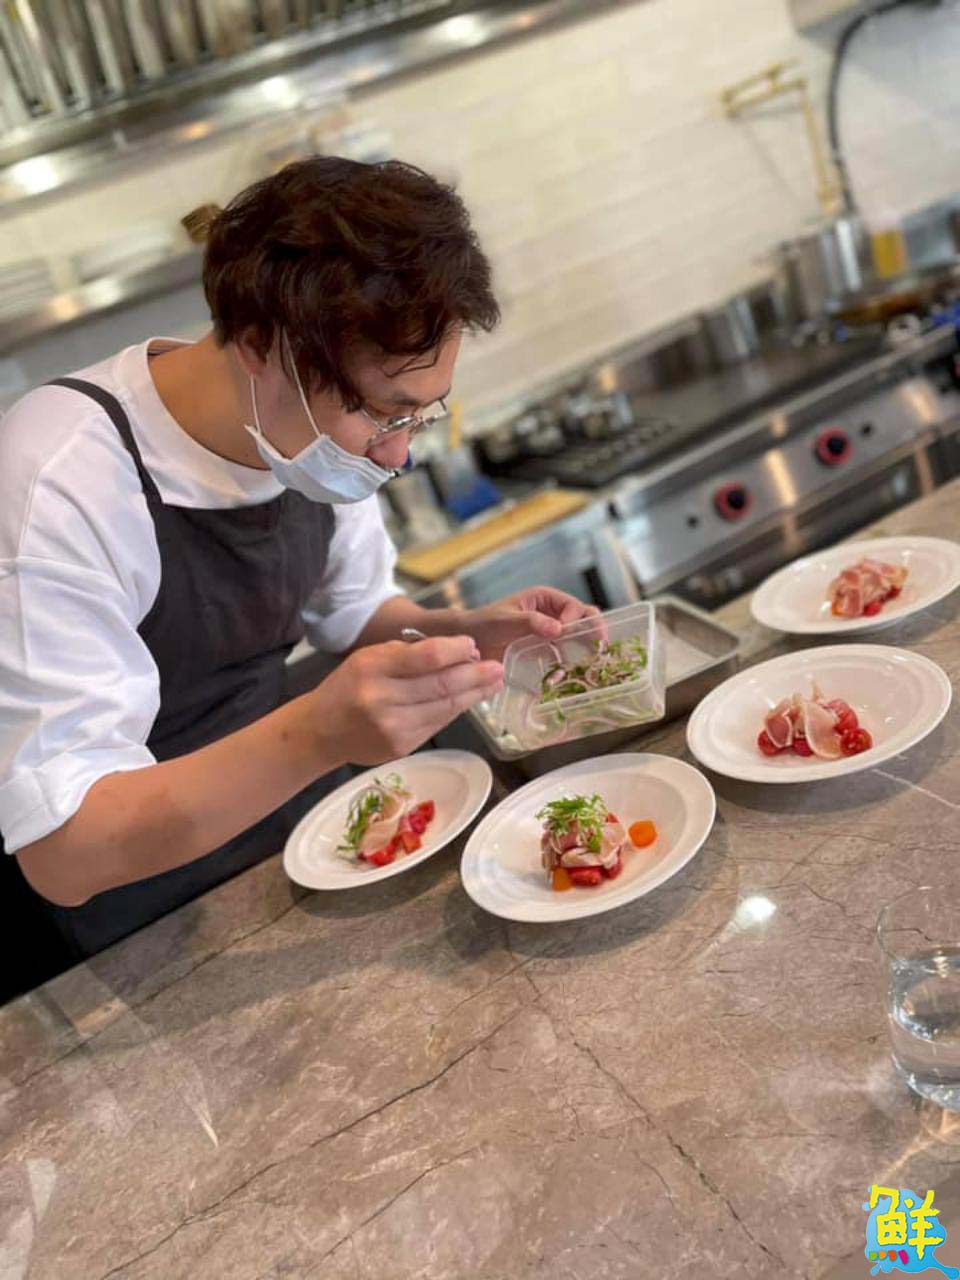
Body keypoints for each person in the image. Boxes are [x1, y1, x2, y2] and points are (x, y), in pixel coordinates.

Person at [0, 157, 595, 999]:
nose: (400, 453)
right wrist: (319, 732)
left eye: (422, 412)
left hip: (295, 853)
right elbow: (66, 851)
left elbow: (353, 612)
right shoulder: (56, 477)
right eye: (384, 413)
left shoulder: (305, 440)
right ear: (258, 346)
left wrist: (464, 630)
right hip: (136, 933)